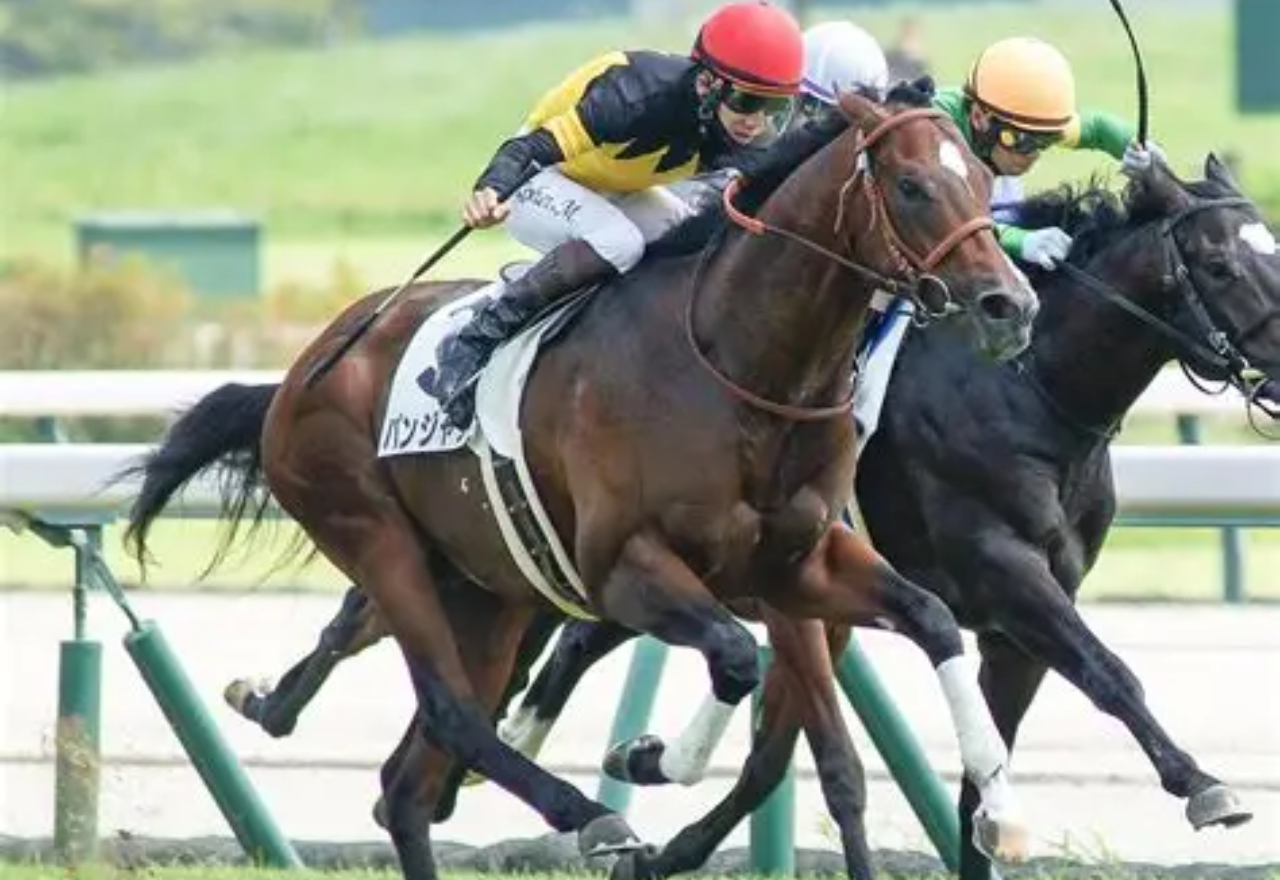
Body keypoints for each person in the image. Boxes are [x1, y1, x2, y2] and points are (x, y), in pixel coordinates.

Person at [421, 1, 805, 430]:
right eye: (747, 100)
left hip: (615, 187)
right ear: (707, 85)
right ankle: (472, 339)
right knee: (621, 242)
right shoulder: (636, 92)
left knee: (689, 239)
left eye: (774, 108)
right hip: (537, 179)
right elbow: (527, 151)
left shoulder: (737, 126)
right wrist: (488, 190)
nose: (756, 121)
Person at [932, 36, 1164, 269]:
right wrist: (1021, 241)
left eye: (1045, 142)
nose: (1032, 155)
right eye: (1022, 142)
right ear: (978, 117)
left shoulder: (1023, 122)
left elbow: (1098, 129)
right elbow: (940, 219)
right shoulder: (936, 133)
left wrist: (1135, 147)